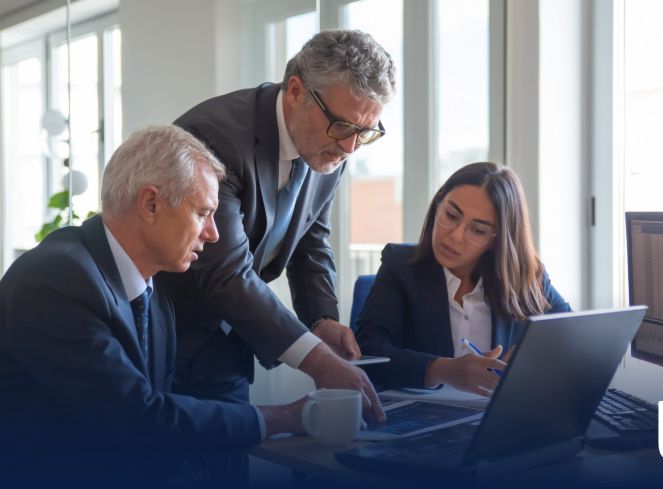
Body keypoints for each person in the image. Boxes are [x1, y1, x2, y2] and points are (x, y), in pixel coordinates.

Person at [0, 126, 307, 485]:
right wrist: (286, 417)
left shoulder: (155, 292)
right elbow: (138, 418)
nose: (213, 233)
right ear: (151, 204)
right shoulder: (56, 278)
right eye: (203, 213)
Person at [163, 29, 395, 418]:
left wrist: (321, 319)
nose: (351, 147)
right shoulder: (213, 138)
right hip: (166, 335)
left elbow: (311, 241)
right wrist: (316, 359)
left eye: (365, 132)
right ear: (296, 91)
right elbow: (226, 273)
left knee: (234, 448)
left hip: (229, 342)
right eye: (343, 126)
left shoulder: (332, 146)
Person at [355, 162, 571, 395]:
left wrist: (531, 355)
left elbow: (572, 336)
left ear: (496, 239)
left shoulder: (525, 276)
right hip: (421, 413)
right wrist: (442, 370)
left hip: (496, 413)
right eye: (451, 215)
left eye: (477, 230)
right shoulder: (399, 266)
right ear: (437, 206)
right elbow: (369, 351)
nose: (455, 236)